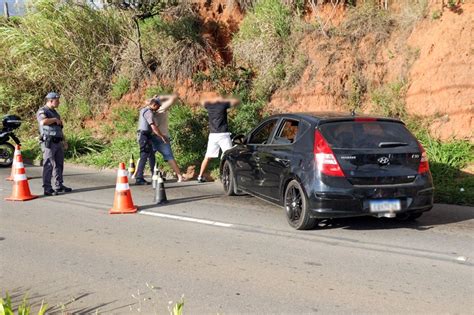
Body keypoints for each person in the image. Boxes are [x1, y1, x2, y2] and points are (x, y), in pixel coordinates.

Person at [197, 94, 240, 183]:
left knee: (208, 157)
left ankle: (200, 176)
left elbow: (202, 102)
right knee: (229, 156)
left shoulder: (208, 104)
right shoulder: (223, 104)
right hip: (223, 134)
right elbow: (235, 102)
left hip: (213, 134)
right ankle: (232, 176)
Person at [36, 92, 72, 196]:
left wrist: (64, 140)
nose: (59, 102)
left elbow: (59, 128)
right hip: (49, 142)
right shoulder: (42, 111)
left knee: (59, 165)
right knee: (48, 164)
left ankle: (59, 185)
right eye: (57, 100)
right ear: (50, 101)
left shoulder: (55, 113)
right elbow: (43, 122)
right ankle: (47, 188)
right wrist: (55, 120)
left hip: (58, 142)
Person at [151, 93, 184, 182]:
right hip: (163, 137)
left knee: (145, 155)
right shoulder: (162, 109)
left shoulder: (152, 111)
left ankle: (136, 174)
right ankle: (179, 176)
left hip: (154, 137)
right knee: (169, 157)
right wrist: (162, 97)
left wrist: (157, 97)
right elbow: (174, 97)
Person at [135, 97, 167, 185]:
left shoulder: (144, 109)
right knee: (144, 156)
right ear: (154, 105)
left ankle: (154, 175)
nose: (158, 108)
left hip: (146, 135)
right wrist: (162, 136)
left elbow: (148, 102)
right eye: (158, 106)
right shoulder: (149, 113)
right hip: (144, 136)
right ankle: (139, 178)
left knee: (151, 155)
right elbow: (153, 127)